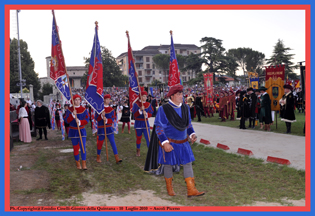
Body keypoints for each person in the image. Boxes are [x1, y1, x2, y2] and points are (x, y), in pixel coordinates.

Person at [144, 85, 205, 197]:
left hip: (184, 143)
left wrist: (192, 134)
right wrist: (164, 142)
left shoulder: (186, 108)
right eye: (178, 94)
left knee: (188, 164)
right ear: (172, 96)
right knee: (168, 165)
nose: (182, 96)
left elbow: (188, 124)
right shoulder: (163, 109)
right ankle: (169, 188)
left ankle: (191, 189)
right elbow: (159, 127)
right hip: (170, 143)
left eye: (182, 94)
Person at [95, 94, 122, 164]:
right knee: (100, 143)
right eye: (106, 99)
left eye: (109, 99)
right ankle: (98, 156)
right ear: (103, 100)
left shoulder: (111, 109)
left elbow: (113, 118)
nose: (108, 101)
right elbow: (96, 118)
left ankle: (117, 158)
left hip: (109, 128)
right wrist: (101, 116)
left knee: (113, 142)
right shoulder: (99, 108)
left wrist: (106, 120)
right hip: (101, 128)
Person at [65, 94, 90, 170]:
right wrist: (72, 115)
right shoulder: (69, 110)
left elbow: (87, 120)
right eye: (76, 100)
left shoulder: (83, 109)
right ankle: (77, 163)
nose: (78, 101)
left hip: (81, 130)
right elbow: (66, 120)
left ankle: (84, 164)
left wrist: (80, 122)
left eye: (79, 99)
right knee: (75, 148)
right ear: (73, 101)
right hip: (73, 131)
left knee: (83, 148)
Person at [132, 89, 153, 157]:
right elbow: (134, 115)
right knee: (138, 138)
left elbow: (151, 112)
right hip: (138, 124)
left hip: (145, 123)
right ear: (140, 97)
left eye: (146, 96)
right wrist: (140, 110)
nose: (145, 97)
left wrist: (146, 114)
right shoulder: (136, 104)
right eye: (144, 96)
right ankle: (138, 150)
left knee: (148, 138)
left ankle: (150, 152)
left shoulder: (148, 104)